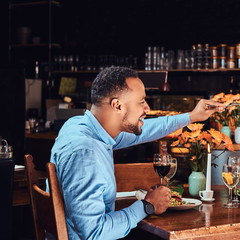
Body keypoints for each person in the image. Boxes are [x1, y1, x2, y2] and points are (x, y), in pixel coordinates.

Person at [50, 66, 225, 239]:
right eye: (141, 101)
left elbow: (146, 130)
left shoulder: (79, 126)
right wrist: (147, 205)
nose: (147, 108)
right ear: (117, 106)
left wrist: (192, 116)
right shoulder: (85, 152)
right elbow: (94, 233)